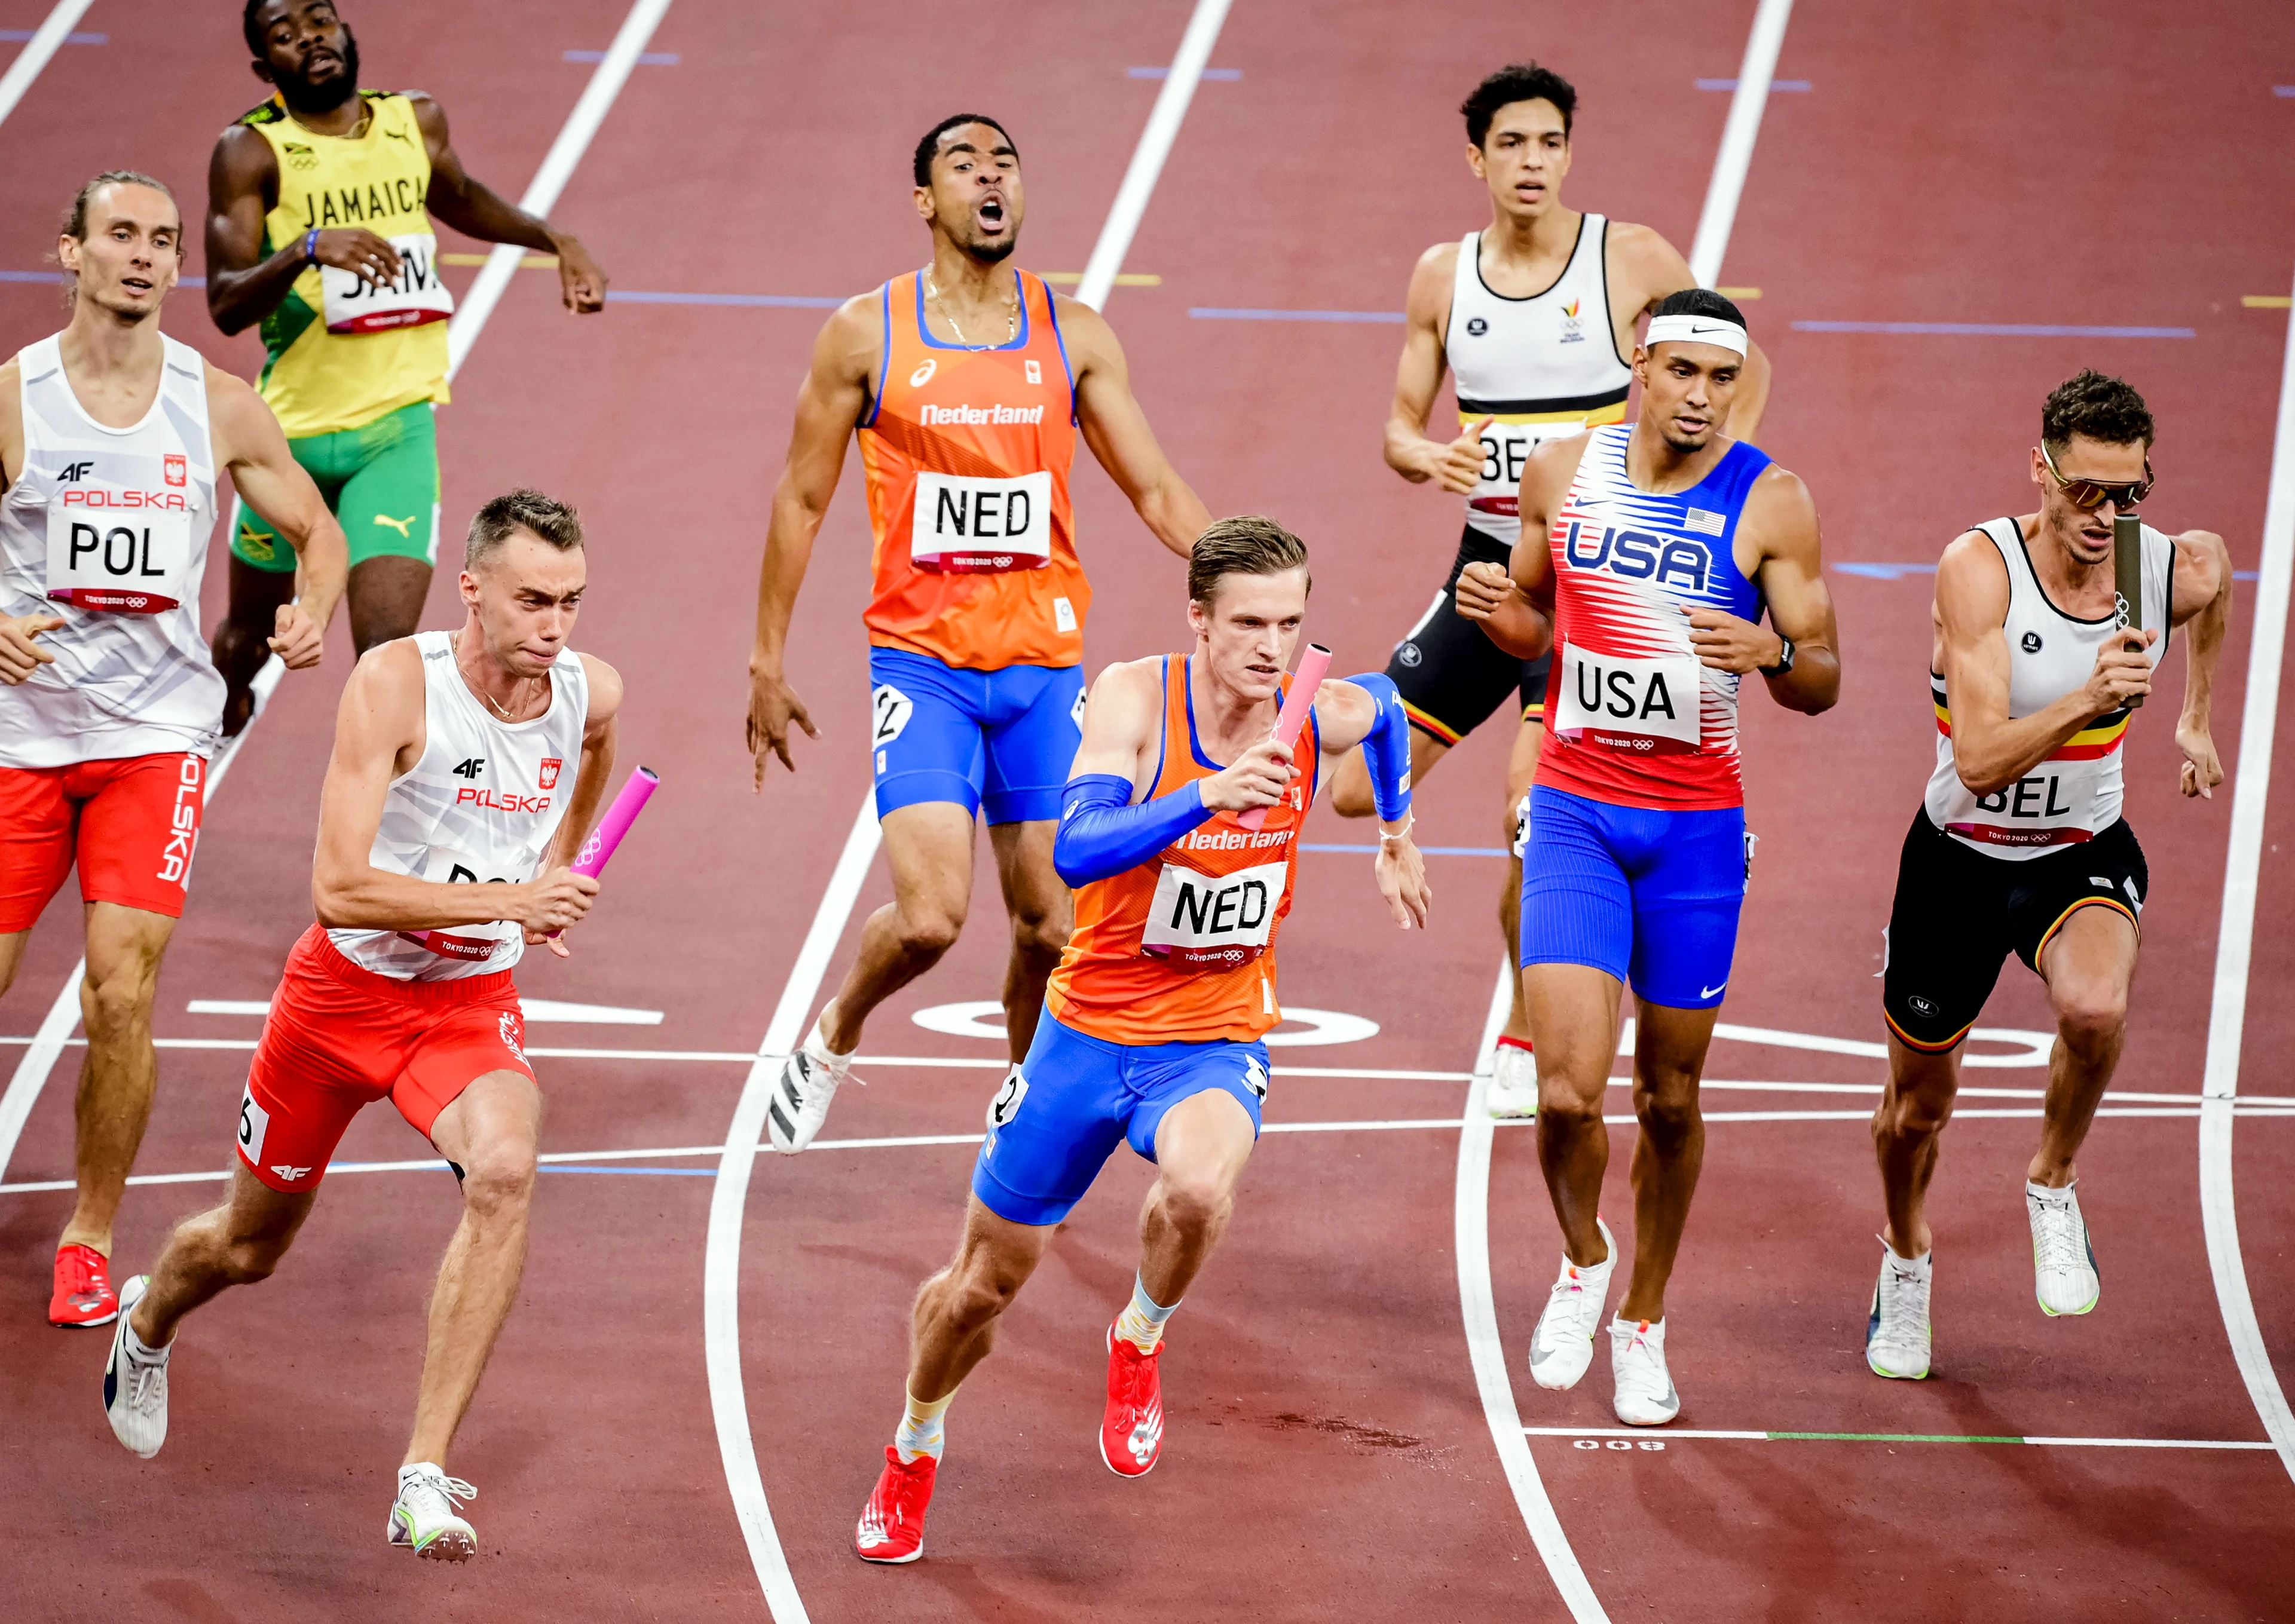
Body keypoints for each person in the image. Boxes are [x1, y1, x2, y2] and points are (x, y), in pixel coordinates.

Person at [851, 517, 1429, 1562]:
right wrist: (1208, 791)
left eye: (1292, 623)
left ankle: (1139, 1334)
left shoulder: (1314, 706)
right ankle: (915, 1437)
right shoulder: (1132, 696)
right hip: (1088, 1033)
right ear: (1198, 619)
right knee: (978, 1288)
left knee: (1204, 1187)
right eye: (1249, 622)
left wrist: (1395, 831)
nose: (1272, 646)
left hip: (1211, 1034)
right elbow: (1074, 851)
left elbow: (1386, 710)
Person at [101, 490, 623, 1564]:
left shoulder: (587, 688)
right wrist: (511, 903)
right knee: (249, 1246)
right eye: (532, 600)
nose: (555, 626)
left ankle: (419, 1474)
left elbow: (597, 742)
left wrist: (568, 861)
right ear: (471, 587)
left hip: (467, 1008)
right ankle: (149, 1319)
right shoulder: (395, 686)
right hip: (341, 1003)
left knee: (507, 1170)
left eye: (572, 602)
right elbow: (339, 888)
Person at [745, 114, 1212, 1153]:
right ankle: (832, 1034)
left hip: (1042, 669)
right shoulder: (868, 335)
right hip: (926, 667)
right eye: (965, 165)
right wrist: (766, 659)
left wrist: (1244, 565)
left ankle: (1020, 1100)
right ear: (926, 201)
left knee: (1051, 924)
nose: (990, 177)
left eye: (1005, 162)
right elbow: (800, 500)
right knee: (930, 919)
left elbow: (1155, 486)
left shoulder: (1075, 333)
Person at [1330, 63, 1773, 1120]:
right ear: (1476, 158)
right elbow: (1398, 419)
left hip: (1590, 599)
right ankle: (1565, 966)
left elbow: (1737, 365)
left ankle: (1534, 1025)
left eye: (1550, 143)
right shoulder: (1445, 277)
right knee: (1353, 784)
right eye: (1513, 145)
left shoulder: (1629, 259)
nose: (1533, 163)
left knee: (1534, 813)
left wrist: (1687, 497)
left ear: (1570, 154)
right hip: (1493, 577)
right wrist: (1422, 456)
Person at [1455, 289, 1837, 1426]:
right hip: (1576, 808)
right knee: (1567, 1095)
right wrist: (1493, 613)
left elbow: (1823, 677)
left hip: (1695, 833)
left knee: (1669, 1096)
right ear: (1641, 360)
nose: (1703, 399)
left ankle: (1645, 1319)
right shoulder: (1563, 472)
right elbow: (1534, 624)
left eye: (1722, 380)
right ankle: (1584, 1259)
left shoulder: (1771, 500)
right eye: (1684, 373)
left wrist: (1772, 649)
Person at [0, 170, 346, 1329]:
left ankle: (90, 1237)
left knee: (122, 988)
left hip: (156, 736)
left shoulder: (219, 403)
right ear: (72, 251)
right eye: (123, 237)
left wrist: (312, 606)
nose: (147, 257)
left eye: (163, 241)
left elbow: (316, 527)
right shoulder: (16, 399)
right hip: (21, 736)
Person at [1863, 372, 2228, 1380]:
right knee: (1914, 1110)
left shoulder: (2154, 564)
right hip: (1959, 861)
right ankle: (1905, 1256)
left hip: (2079, 851)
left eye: (2124, 494)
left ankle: (2053, 1182)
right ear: (2041, 467)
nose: (2100, 516)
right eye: (2082, 492)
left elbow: (2215, 569)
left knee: (2097, 1008)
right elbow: (1978, 760)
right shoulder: (1978, 571)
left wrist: (2195, 714)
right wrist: (2088, 696)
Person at [207, 0, 608, 733]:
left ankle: (375, 826)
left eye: (319, 20)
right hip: (285, 439)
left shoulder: (412, 121)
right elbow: (225, 303)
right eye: (286, 37)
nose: (311, 40)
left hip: (394, 430)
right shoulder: (251, 151)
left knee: (387, 652)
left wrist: (555, 239)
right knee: (247, 639)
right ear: (267, 69)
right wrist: (304, 248)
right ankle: (223, 698)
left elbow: (457, 197)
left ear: (347, 31)